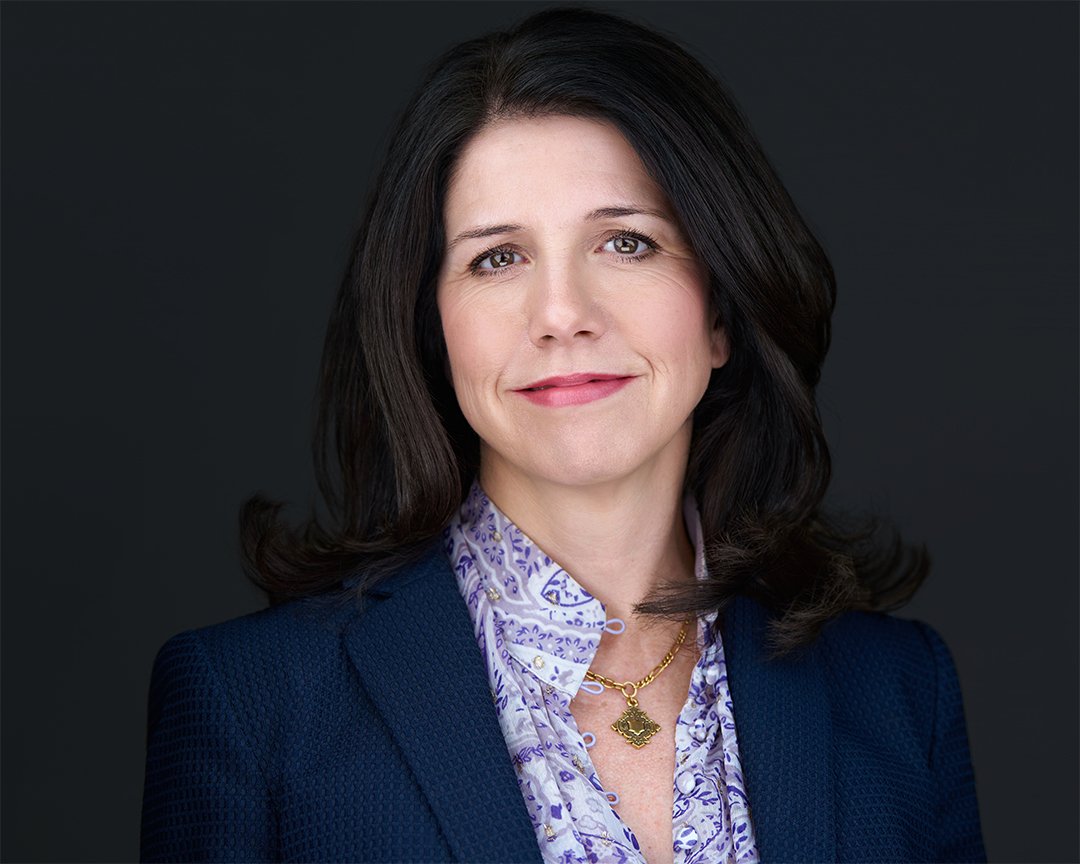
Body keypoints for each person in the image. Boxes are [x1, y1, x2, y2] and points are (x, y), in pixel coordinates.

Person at [139, 7, 986, 863]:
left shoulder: (896, 689)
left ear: (722, 311)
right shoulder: (254, 704)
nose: (561, 314)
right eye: (497, 257)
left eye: (626, 242)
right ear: (433, 330)